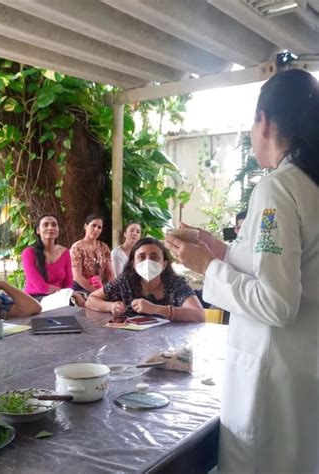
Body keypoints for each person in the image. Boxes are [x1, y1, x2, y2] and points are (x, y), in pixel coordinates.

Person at [165, 69, 319, 473]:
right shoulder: (308, 186)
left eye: (253, 122)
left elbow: (277, 301)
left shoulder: (277, 189)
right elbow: (277, 262)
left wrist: (208, 267)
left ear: (264, 122)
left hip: (272, 380)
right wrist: (219, 249)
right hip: (301, 371)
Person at [86, 237, 205, 321]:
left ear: (163, 264)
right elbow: (91, 300)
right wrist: (110, 306)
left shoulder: (176, 284)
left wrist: (156, 309)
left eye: (154, 257)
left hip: (169, 348)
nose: (148, 261)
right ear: (134, 264)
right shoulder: (125, 282)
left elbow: (199, 314)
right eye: (141, 257)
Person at [21, 214, 73, 298]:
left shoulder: (65, 252)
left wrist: (67, 296)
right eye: (45, 225)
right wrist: (68, 294)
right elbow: (42, 287)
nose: (50, 228)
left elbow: (68, 283)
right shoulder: (28, 253)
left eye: (54, 225)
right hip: (34, 299)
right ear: (38, 230)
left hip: (60, 297)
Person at [70, 214, 115, 294]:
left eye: (99, 227)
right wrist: (97, 292)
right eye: (93, 225)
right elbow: (77, 277)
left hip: (100, 287)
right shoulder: (77, 248)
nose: (96, 229)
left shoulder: (104, 247)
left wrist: (110, 289)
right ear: (85, 226)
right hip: (81, 289)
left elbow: (110, 273)